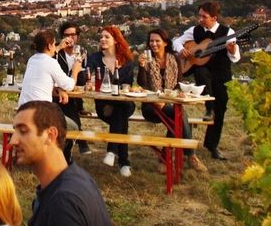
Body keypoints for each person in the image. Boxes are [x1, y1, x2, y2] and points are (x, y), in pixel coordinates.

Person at [171, 0, 241, 159]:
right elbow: (176, 42)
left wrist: (232, 50)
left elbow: (235, 58)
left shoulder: (228, 32)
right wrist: (182, 50)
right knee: (201, 71)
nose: (200, 19)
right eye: (200, 16)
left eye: (204, 17)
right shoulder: (194, 30)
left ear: (214, 17)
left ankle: (212, 145)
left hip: (221, 73)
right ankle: (208, 108)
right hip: (203, 72)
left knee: (220, 109)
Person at [88, 25, 138, 178]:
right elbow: (88, 78)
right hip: (104, 105)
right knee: (121, 119)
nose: (102, 39)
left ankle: (111, 151)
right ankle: (123, 161)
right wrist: (88, 82)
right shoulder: (95, 58)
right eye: (101, 37)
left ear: (116, 41)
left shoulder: (127, 60)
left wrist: (117, 96)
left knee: (120, 109)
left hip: (123, 103)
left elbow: (127, 85)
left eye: (107, 37)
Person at [136, 28, 183, 147]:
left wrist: (166, 99)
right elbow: (142, 84)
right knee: (179, 117)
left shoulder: (174, 58)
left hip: (169, 102)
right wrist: (141, 67)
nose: (154, 44)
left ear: (165, 43)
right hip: (150, 105)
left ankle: (166, 155)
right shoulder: (147, 58)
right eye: (151, 41)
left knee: (178, 118)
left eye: (157, 41)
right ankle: (189, 153)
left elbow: (179, 83)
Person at [54, 23, 90, 158]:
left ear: (77, 37)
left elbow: (84, 74)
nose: (70, 38)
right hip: (58, 92)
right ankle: (80, 139)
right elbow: (48, 62)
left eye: (73, 35)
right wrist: (58, 48)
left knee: (68, 104)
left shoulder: (82, 51)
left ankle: (74, 144)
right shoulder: (57, 51)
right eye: (66, 35)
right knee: (66, 103)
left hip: (74, 92)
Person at [18, 29, 78, 106]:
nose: (55, 46)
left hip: (23, 107)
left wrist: (59, 47)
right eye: (54, 44)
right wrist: (75, 70)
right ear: (49, 46)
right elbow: (69, 85)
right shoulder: (51, 63)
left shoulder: (32, 60)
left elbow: (44, 79)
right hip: (40, 109)